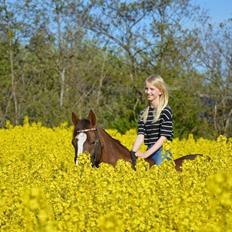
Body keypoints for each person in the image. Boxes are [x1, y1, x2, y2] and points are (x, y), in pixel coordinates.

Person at [131, 75, 173, 165]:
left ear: (160, 91)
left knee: (159, 174)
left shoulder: (165, 111)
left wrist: (146, 154)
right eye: (146, 89)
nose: (148, 92)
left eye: (152, 89)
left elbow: (163, 138)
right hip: (150, 150)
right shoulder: (143, 114)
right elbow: (140, 135)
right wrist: (133, 152)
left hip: (162, 152)